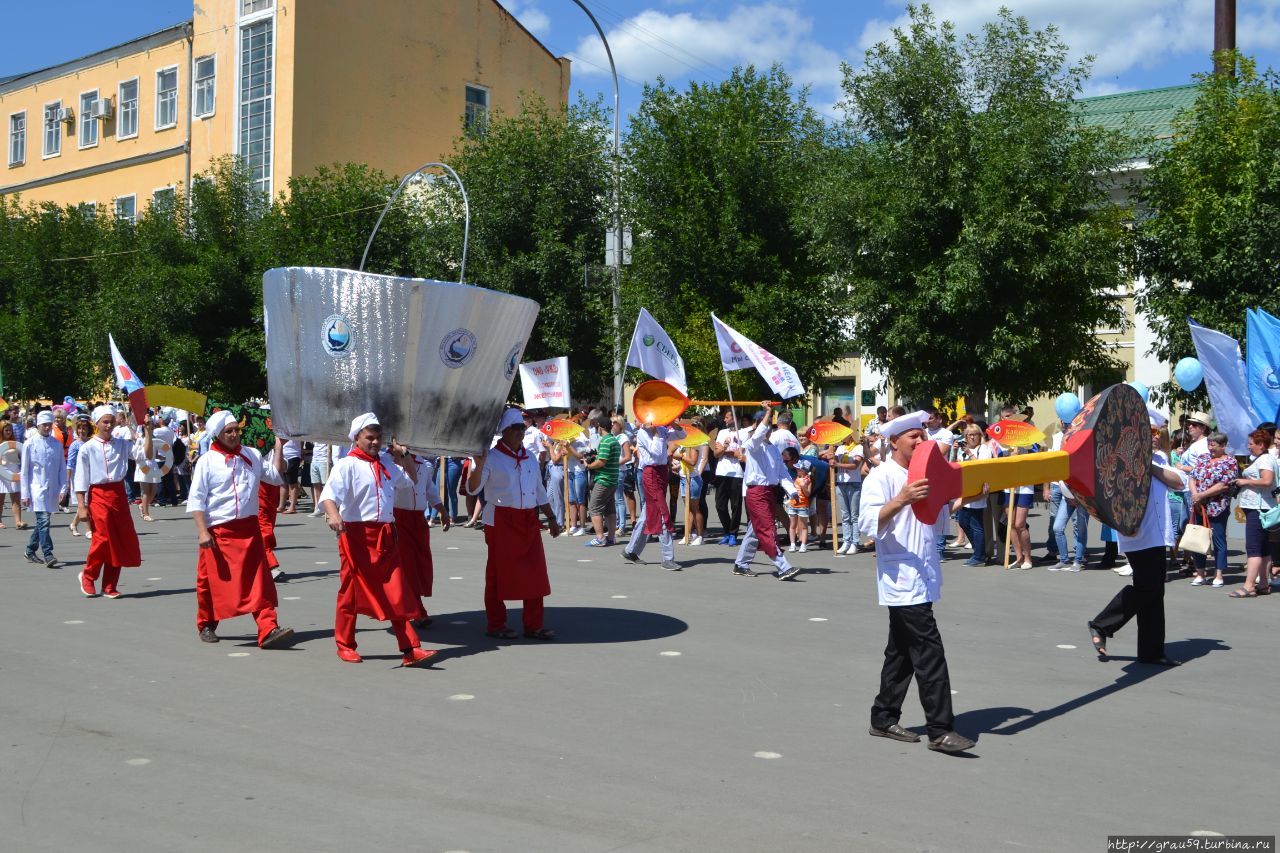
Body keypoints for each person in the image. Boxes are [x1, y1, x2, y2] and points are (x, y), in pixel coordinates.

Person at [859, 410, 974, 753]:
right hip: (901, 578)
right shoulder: (882, 476)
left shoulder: (924, 475)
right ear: (894, 441)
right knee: (929, 650)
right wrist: (902, 499)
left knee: (902, 653)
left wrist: (963, 499)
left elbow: (934, 519)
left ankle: (883, 717)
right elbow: (867, 523)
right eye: (914, 437)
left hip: (923, 574)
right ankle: (940, 729)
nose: (922, 442)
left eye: (923, 436)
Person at [318, 413, 436, 667]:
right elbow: (329, 496)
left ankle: (410, 648)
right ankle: (345, 644)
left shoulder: (387, 463)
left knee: (396, 591)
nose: (374, 442)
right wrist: (334, 515)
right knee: (350, 592)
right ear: (356, 438)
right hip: (356, 537)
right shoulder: (346, 465)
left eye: (378, 438)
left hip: (385, 536)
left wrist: (402, 456)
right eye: (369, 438)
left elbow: (412, 481)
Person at [187, 412, 295, 648]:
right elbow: (196, 500)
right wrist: (203, 531)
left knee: (260, 580)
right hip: (218, 530)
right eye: (229, 431)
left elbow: (275, 477)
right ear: (218, 434)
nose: (235, 434)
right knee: (209, 581)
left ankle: (268, 628)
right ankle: (206, 623)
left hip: (249, 528)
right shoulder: (207, 461)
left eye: (236, 430)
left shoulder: (251, 454)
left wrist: (279, 446)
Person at [1088, 417, 1188, 665]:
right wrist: (1121, 524)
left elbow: (1180, 483)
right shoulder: (1123, 458)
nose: (1155, 435)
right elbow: (1111, 494)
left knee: (1155, 591)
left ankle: (1151, 651)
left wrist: (1150, 466)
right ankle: (1102, 624)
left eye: (1158, 432)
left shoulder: (1160, 459)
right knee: (1148, 587)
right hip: (1137, 533)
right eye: (1150, 431)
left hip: (1158, 534)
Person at [466, 407, 562, 641]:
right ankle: (496, 624)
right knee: (498, 574)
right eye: (516, 428)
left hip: (528, 519)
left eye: (522, 427)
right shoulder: (490, 456)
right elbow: (472, 489)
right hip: (501, 520)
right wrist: (477, 466)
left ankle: (534, 625)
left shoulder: (528, 456)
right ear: (504, 431)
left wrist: (550, 517)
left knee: (535, 573)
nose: (521, 431)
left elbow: (539, 490)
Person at [73, 406, 144, 598]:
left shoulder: (122, 444)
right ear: (96, 424)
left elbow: (144, 455)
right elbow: (80, 479)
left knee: (119, 539)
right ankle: (88, 575)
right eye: (105, 421)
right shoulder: (87, 448)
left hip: (118, 494)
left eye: (111, 421)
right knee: (102, 539)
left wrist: (148, 431)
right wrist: (81, 506)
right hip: (98, 495)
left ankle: (110, 585)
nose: (109, 425)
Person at [731, 410, 801, 580]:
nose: (768, 429)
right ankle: (783, 566)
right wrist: (768, 413)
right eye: (765, 425)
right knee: (767, 528)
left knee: (755, 530)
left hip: (770, 492)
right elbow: (758, 434)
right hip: (756, 493)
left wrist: (792, 491)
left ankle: (741, 564)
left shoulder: (774, 450)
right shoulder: (752, 444)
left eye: (770, 426)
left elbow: (782, 473)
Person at [622, 416, 687, 571]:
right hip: (650, 474)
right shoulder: (643, 433)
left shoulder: (663, 429)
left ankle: (630, 550)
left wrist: (673, 424)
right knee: (662, 513)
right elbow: (657, 453)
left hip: (662, 473)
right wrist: (656, 432)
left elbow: (682, 436)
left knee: (648, 514)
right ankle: (667, 558)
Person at [392, 452, 450, 627]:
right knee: (407, 564)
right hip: (397, 518)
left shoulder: (423, 465)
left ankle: (410, 604)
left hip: (418, 520)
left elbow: (429, 489)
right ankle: (417, 610)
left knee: (420, 563)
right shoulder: (389, 462)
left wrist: (442, 510)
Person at [1189, 432, 1238, 588]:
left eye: (1214, 445)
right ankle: (1200, 573)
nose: (1211, 449)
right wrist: (1195, 494)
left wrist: (1202, 494)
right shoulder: (1203, 458)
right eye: (1209, 444)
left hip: (1217, 506)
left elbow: (1224, 484)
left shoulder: (1230, 461)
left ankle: (1219, 574)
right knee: (1198, 539)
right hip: (1199, 505)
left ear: (1223, 446)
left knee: (1218, 539)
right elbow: (1192, 477)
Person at [1231, 428, 1276, 597]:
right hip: (1261, 507)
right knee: (1263, 548)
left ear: (1261, 444)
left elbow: (1267, 480)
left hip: (1258, 508)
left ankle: (1249, 585)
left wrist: (1245, 481)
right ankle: (1263, 584)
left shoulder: (1265, 460)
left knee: (1253, 548)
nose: (1248, 447)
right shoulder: (1263, 458)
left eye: (1251, 444)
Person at [21, 410, 68, 568]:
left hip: (52, 489)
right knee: (44, 521)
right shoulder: (30, 443)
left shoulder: (56, 444)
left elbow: (62, 468)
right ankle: (48, 553)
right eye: (44, 425)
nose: (47, 428)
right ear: (38, 425)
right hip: (36, 488)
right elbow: (25, 471)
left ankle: (30, 550)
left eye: (49, 425)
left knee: (42, 523)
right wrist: (25, 494)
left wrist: (63, 489)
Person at [952, 424, 992, 567]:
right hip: (965, 490)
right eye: (969, 435)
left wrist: (969, 453)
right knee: (963, 521)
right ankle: (979, 551)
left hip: (978, 490)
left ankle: (979, 556)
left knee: (976, 524)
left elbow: (983, 468)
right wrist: (956, 452)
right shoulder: (964, 451)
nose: (972, 437)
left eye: (975, 434)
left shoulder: (985, 449)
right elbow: (956, 466)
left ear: (980, 436)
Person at [584, 415, 622, 547]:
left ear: (600, 427)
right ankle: (611, 537)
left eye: (597, 426)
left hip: (604, 479)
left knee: (594, 507)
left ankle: (600, 537)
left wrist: (588, 465)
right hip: (612, 478)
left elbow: (601, 462)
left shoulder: (605, 441)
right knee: (609, 509)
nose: (596, 429)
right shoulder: (614, 440)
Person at [712, 411, 744, 545]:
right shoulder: (722, 433)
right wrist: (725, 448)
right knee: (720, 505)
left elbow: (741, 453)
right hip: (722, 472)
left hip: (736, 473)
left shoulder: (742, 433)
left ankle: (733, 533)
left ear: (735, 418)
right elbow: (716, 453)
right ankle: (727, 531)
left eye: (727, 417)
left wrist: (730, 452)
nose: (725, 420)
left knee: (736, 505)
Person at [0, 419, 29, 529]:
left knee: (16, 497)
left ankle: (18, 521)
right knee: (1, 498)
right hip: (2, 471)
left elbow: (24, 457)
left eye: (10, 430)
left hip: (15, 470)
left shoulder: (16, 444)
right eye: (6, 430)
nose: (9, 432)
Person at [66, 416, 92, 537]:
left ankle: (73, 524)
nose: (82, 430)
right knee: (84, 503)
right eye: (80, 428)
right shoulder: (75, 445)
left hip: (91, 475)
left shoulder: (92, 442)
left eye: (84, 428)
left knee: (86, 503)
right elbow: (70, 464)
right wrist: (67, 481)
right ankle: (88, 530)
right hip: (78, 476)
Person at [785, 456, 812, 552]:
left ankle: (803, 544)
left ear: (803, 470)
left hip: (803, 506)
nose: (796, 470)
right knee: (792, 525)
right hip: (793, 504)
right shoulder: (796, 478)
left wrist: (804, 487)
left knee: (804, 526)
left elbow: (808, 494)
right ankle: (792, 544)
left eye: (798, 469)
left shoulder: (807, 480)